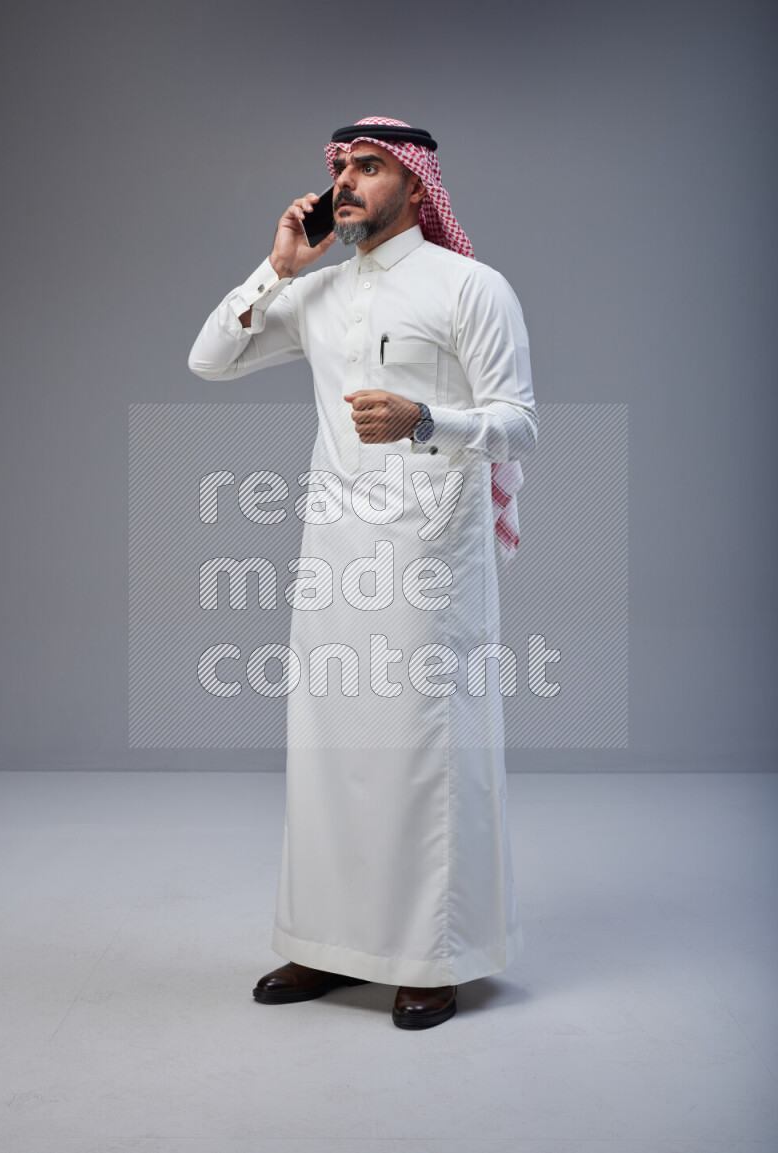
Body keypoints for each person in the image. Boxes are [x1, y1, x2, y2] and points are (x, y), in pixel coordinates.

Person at [188, 116, 538, 1030]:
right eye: (340, 166)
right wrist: (278, 269)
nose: (346, 181)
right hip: (333, 557)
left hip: (431, 558)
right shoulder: (318, 292)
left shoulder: (472, 286)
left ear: (417, 187)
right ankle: (326, 943)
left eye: (370, 167)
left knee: (423, 753)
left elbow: (520, 422)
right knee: (329, 749)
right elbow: (209, 359)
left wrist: (429, 420)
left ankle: (434, 954)